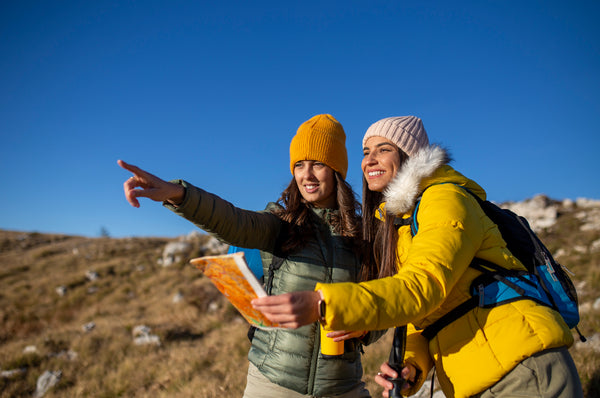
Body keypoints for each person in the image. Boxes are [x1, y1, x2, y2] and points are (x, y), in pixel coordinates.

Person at [251, 116, 583, 398]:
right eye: (366, 152)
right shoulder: (404, 224)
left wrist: (324, 304)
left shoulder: (445, 199)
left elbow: (422, 288)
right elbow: (426, 316)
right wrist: (412, 365)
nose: (370, 160)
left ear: (412, 157)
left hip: (523, 370)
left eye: (384, 150)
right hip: (484, 375)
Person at [118, 114, 384, 398]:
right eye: (299, 165)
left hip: (342, 386)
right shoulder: (281, 224)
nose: (306, 175)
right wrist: (179, 195)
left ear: (336, 170)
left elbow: (388, 301)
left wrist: (366, 330)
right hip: (272, 385)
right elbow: (234, 222)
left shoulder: (365, 234)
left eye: (317, 164)